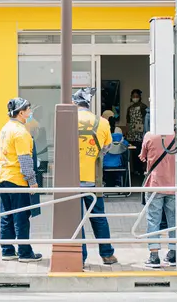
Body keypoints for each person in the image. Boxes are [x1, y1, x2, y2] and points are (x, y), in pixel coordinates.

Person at [74, 87, 119, 266]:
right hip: (94, 178)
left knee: (77, 219)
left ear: (74, 103)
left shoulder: (68, 120)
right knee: (98, 216)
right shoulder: (102, 122)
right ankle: (107, 254)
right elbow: (107, 148)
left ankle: (81, 257)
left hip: (72, 179)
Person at [0, 97, 42, 263]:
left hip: (2, 177)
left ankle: (7, 251)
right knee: (21, 217)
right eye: (28, 109)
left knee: (6, 215)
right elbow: (25, 160)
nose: (30, 112)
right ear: (21, 113)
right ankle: (24, 253)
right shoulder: (21, 132)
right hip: (17, 179)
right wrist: (32, 182)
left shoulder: (5, 129)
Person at [139, 130, 177, 268]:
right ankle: (174, 253)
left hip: (155, 184)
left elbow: (142, 157)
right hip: (174, 185)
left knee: (153, 220)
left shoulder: (149, 135)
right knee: (174, 220)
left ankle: (154, 256)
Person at [126, 89, 147, 175]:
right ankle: (133, 170)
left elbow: (146, 120)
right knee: (132, 154)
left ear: (140, 97)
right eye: (133, 96)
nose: (135, 98)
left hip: (140, 134)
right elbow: (128, 121)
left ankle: (140, 170)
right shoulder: (129, 108)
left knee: (139, 153)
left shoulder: (143, 107)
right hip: (131, 134)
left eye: (136, 96)